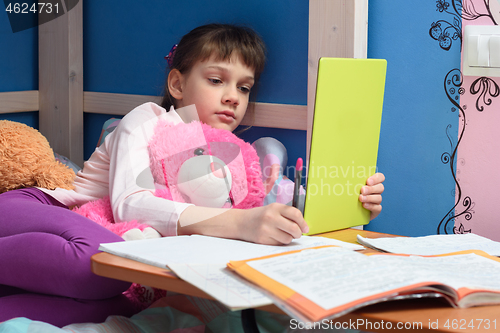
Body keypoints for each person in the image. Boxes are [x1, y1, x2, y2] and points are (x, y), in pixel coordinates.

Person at [0, 23, 384, 328]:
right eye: (217, 80)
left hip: (75, 248)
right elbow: (129, 204)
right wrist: (236, 222)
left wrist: (349, 202)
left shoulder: (230, 157)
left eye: (244, 87)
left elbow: (264, 210)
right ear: (178, 84)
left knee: (127, 305)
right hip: (42, 210)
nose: (233, 96)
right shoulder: (147, 119)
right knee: (100, 265)